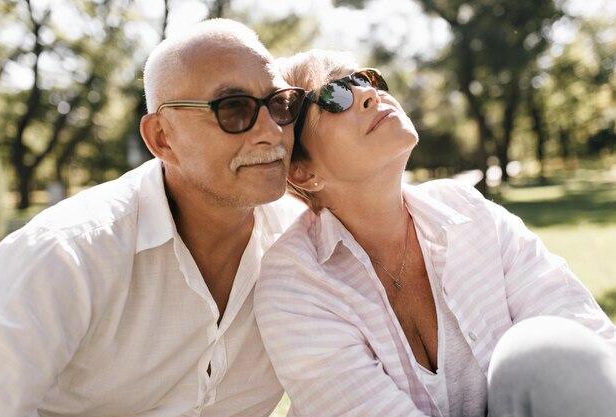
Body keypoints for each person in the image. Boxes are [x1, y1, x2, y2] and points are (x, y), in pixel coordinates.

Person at [254, 49, 616, 417]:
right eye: (335, 95)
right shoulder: (294, 283)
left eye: (367, 79)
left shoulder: (468, 212)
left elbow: (583, 336)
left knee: (551, 345)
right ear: (302, 173)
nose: (368, 94)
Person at [0, 19, 307, 417]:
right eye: (234, 109)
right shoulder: (63, 257)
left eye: (281, 105)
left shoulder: (306, 247)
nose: (273, 131)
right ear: (162, 138)